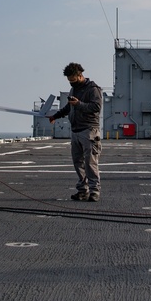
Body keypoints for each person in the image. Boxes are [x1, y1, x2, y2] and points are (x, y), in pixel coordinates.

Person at [47, 62, 103, 202]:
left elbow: (96, 107)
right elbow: (69, 107)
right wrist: (56, 115)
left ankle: (94, 191)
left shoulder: (93, 89)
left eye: (73, 79)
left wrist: (79, 104)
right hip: (76, 131)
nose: (71, 82)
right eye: (69, 80)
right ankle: (83, 190)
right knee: (78, 162)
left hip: (89, 130)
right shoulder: (74, 89)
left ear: (80, 75)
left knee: (90, 163)